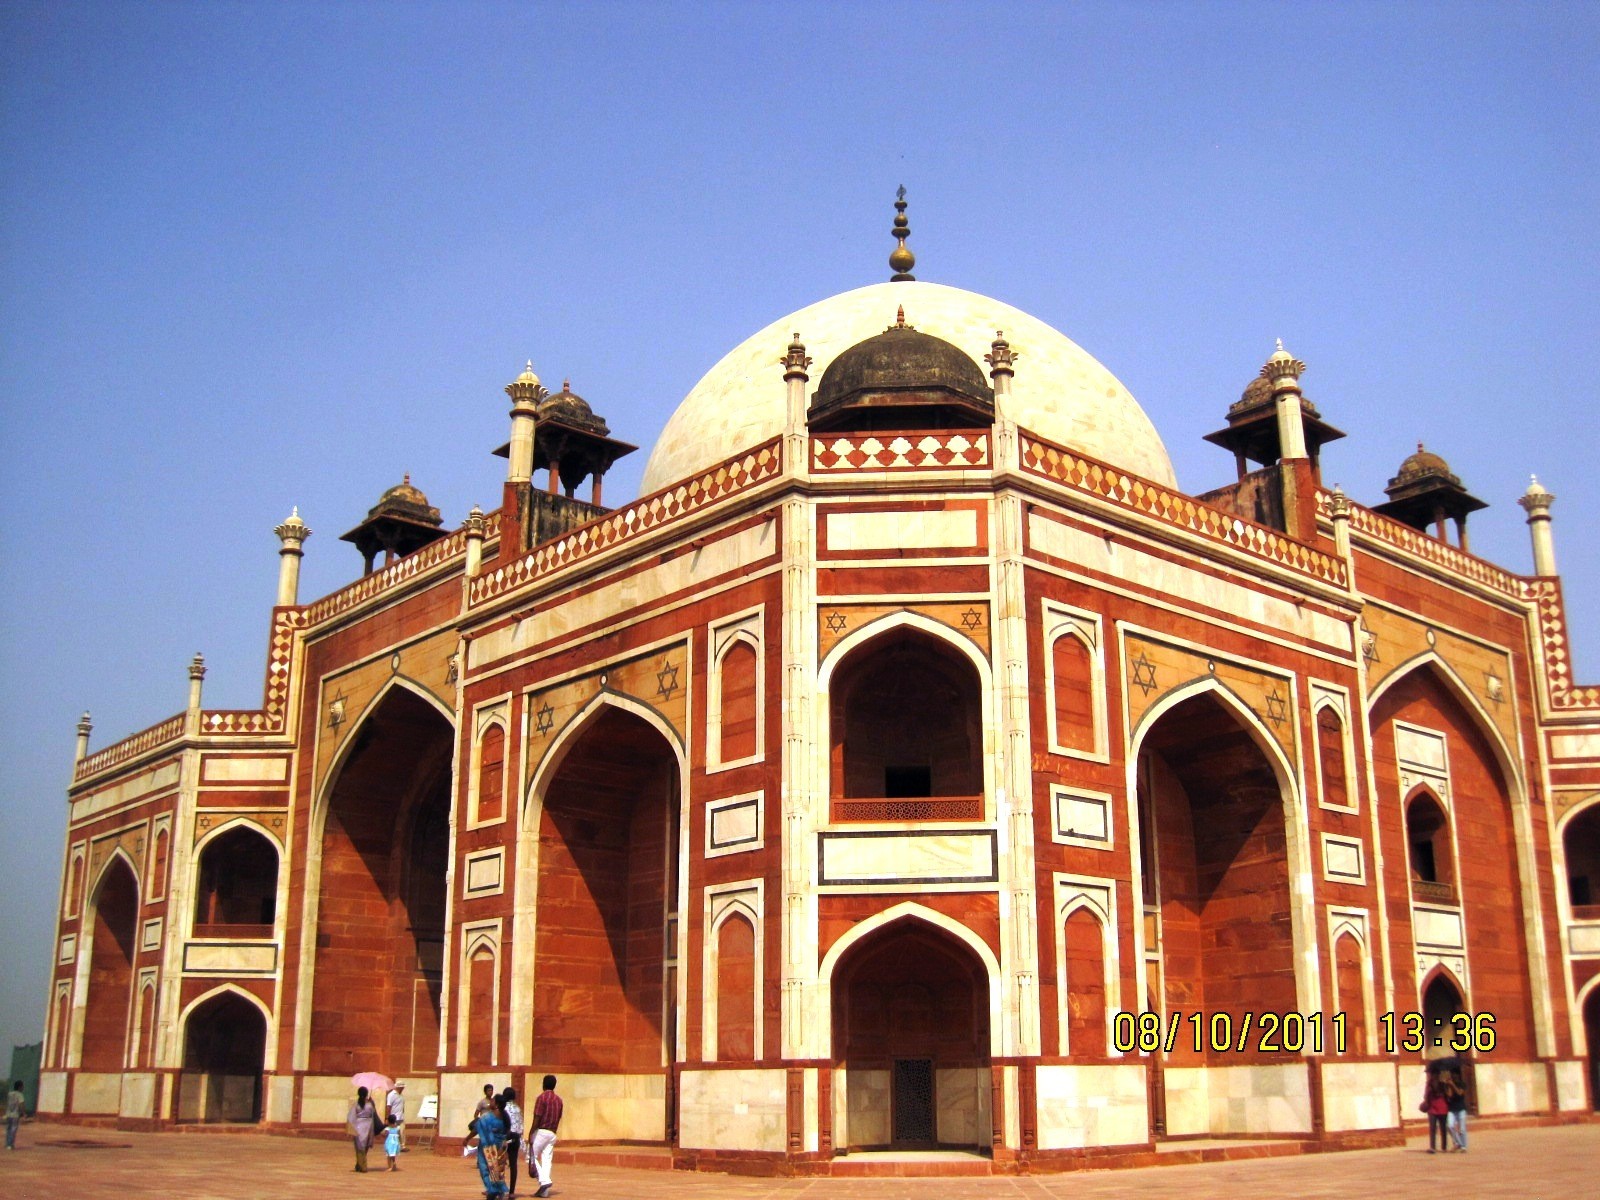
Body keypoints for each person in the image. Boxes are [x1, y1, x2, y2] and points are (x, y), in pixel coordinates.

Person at [526, 1075, 563, 1199]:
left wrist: (531, 1132)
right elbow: (558, 1117)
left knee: (530, 1156)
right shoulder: (559, 1100)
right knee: (547, 1160)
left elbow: (537, 1117)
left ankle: (544, 1180)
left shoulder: (541, 1098)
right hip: (552, 1132)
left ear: (543, 1084)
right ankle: (544, 1191)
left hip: (541, 1131)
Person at [473, 1091, 511, 1198]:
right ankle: (499, 1189)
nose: (491, 1102)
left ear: (497, 1104)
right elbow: (507, 1131)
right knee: (498, 1169)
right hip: (500, 1147)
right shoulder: (505, 1117)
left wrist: (467, 1139)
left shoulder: (486, 1117)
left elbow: (477, 1128)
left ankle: (492, 1189)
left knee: (485, 1168)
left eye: (493, 1100)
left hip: (488, 1147)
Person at [347, 1085, 381, 1172]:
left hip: (359, 1125)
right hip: (368, 1125)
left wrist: (352, 1127)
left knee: (359, 1146)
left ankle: (360, 1164)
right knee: (365, 1146)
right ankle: (362, 1165)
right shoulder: (369, 1105)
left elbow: (351, 1117)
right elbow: (373, 1113)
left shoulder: (356, 1105)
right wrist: (371, 1102)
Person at [501, 1086, 524, 1195]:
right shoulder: (518, 1108)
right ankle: (512, 1192)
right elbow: (521, 1125)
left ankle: (498, 1188)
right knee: (513, 1165)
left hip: (506, 1136)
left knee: (500, 1163)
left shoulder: (504, 1108)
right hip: (516, 1137)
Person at [1420, 1071, 1449, 1154]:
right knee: (1434, 1128)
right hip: (1433, 1108)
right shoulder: (1429, 1084)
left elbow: (1444, 1094)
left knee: (1441, 1128)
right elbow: (1426, 1096)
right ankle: (1434, 1147)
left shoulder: (1442, 1085)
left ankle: (1443, 1146)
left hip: (1441, 1107)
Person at [1444, 1070, 1469, 1152]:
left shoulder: (1462, 1084)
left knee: (1462, 1128)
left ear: (1458, 1075)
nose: (1454, 1076)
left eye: (1455, 1074)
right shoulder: (1449, 1085)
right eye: (1452, 1074)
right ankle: (1458, 1143)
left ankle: (1463, 1146)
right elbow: (1449, 1096)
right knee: (1450, 1126)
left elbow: (1459, 1093)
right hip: (1452, 1109)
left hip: (1461, 1108)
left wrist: (1453, 1084)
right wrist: (1448, 1086)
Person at [386, 1081, 406, 1152]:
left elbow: (402, 1106)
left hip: (401, 1117)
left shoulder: (401, 1095)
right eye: (402, 1087)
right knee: (394, 1132)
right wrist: (388, 1118)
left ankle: (402, 1146)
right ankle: (393, 1145)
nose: (403, 1088)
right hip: (394, 1117)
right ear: (398, 1087)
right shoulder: (391, 1095)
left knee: (402, 1132)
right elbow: (388, 1106)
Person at [5, 1080, 24, 1151]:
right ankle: (10, 1144)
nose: (23, 1088)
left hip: (8, 1113)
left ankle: (7, 1144)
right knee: (13, 1129)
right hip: (15, 1114)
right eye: (22, 1086)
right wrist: (23, 1113)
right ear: (19, 1087)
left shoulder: (10, 1094)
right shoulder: (20, 1095)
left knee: (8, 1129)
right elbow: (21, 1104)